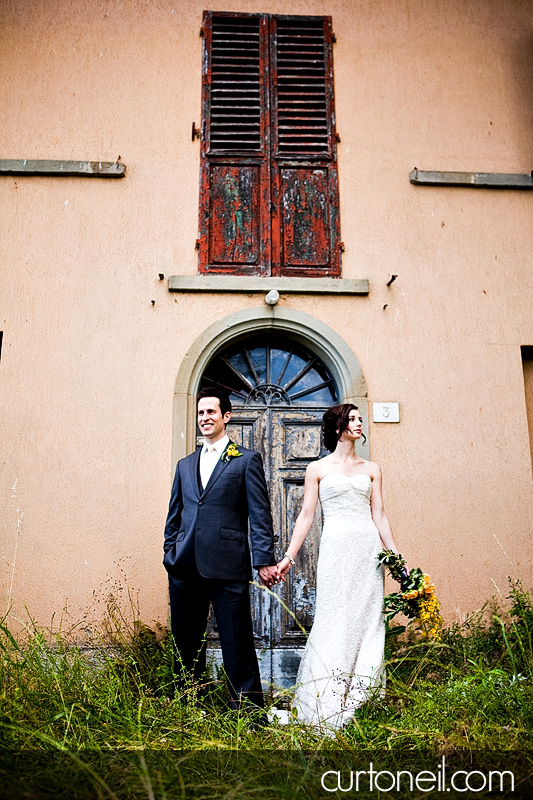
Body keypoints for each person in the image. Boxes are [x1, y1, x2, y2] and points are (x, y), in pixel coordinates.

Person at [276, 403, 403, 732]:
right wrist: (289, 557)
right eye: (353, 419)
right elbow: (306, 516)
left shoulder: (372, 468)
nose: (360, 423)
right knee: (335, 619)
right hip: (335, 551)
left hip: (367, 550)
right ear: (337, 426)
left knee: (368, 622)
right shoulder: (317, 469)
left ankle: (362, 703)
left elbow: (380, 516)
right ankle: (325, 702)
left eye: (361, 419)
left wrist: (395, 557)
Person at [163, 386, 279, 712]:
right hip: (185, 565)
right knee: (186, 643)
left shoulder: (245, 460)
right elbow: (174, 515)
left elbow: (260, 514)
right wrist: (170, 553)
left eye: (211, 412)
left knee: (236, 641)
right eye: (200, 413)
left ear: (226, 417)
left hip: (228, 563)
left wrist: (263, 560)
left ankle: (248, 711)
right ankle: (188, 705)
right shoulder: (184, 465)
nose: (205, 418)